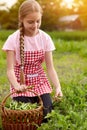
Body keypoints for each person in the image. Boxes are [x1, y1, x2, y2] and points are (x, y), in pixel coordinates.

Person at [2, 0, 63, 122]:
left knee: (47, 114)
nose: (35, 25)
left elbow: (50, 68)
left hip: (39, 81)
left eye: (38, 21)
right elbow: (10, 70)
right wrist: (17, 86)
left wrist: (58, 87)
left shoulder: (45, 38)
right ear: (21, 19)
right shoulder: (13, 39)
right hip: (21, 81)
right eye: (30, 22)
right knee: (24, 114)